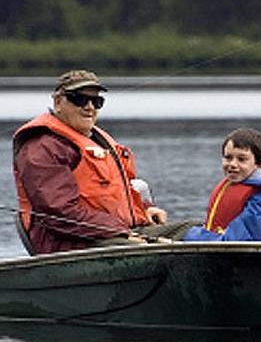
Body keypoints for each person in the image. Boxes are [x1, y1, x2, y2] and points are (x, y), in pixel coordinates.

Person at [13, 69, 186, 255]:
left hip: (116, 232)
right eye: (79, 99)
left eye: (96, 101)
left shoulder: (97, 139)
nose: (89, 107)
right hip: (68, 243)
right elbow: (59, 213)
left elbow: (115, 192)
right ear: (58, 102)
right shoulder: (42, 147)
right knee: (140, 251)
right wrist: (119, 231)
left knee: (192, 231)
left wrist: (144, 210)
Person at [184, 127, 261, 241]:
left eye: (241, 159)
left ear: (260, 164)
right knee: (181, 228)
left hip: (236, 253)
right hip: (215, 239)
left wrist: (193, 236)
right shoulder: (237, 182)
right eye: (228, 158)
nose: (232, 164)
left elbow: (243, 240)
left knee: (184, 232)